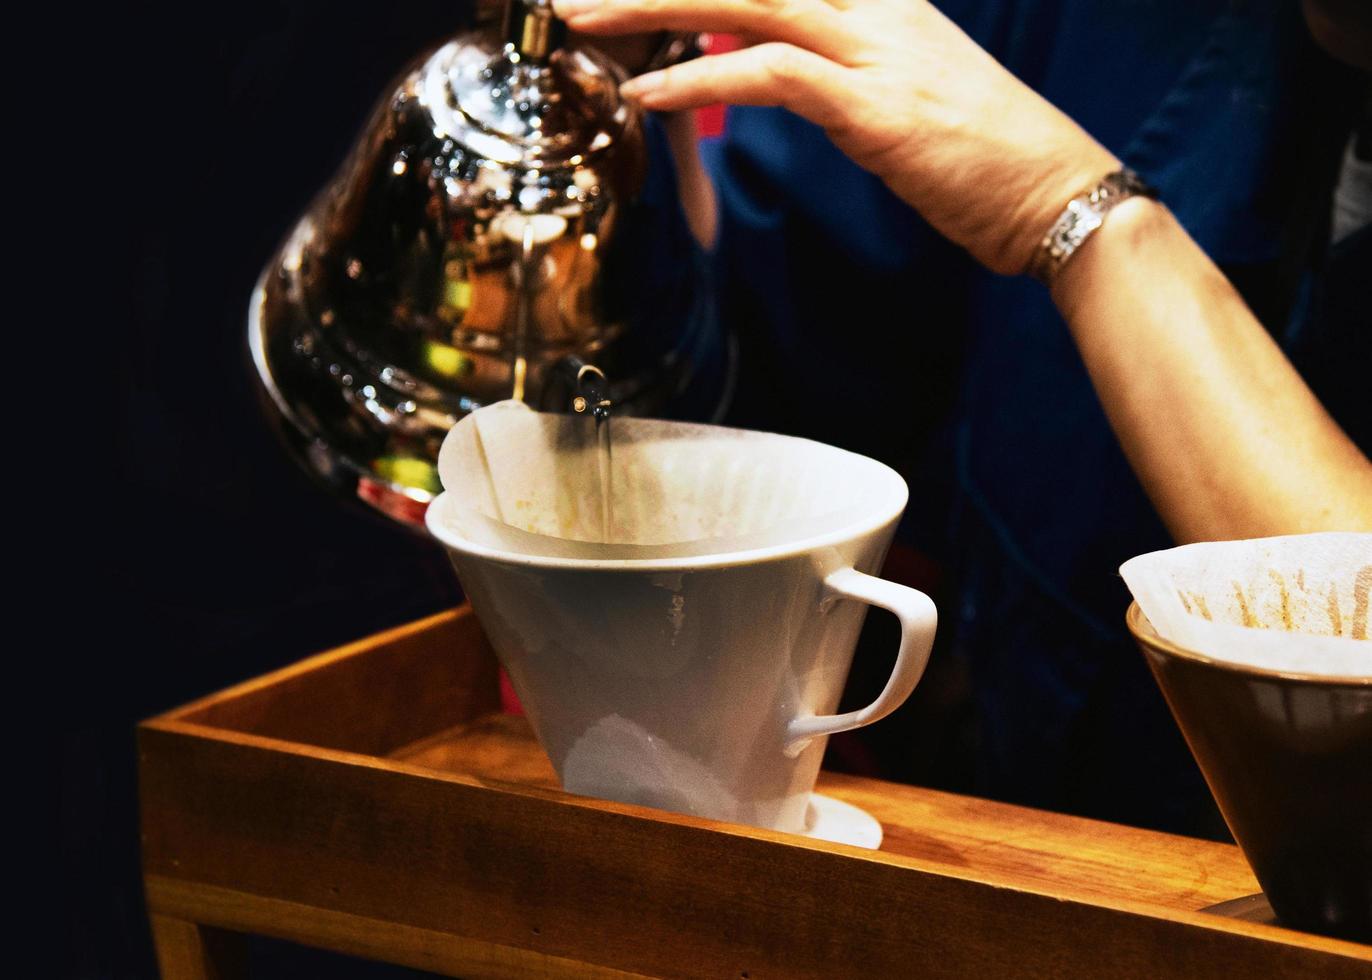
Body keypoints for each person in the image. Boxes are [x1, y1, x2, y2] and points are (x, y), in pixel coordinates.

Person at [555, 0, 1372, 832]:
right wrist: (638, 102)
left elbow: (1347, 652)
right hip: (1001, 814)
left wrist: (1082, 219)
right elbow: (772, 383)